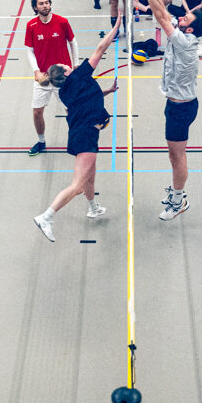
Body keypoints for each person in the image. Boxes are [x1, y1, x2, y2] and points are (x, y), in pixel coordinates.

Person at [33, 15, 120, 242]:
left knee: (90, 176)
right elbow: (101, 49)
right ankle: (46, 217)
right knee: (78, 185)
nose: (68, 64)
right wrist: (116, 27)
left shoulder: (64, 92)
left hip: (80, 133)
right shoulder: (80, 74)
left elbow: (86, 99)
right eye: (65, 65)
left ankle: (93, 208)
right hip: (86, 134)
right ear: (66, 73)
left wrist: (108, 91)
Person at [133, 0, 202, 221]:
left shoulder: (185, 42)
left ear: (190, 30)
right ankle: (177, 193)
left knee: (178, 156)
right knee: (174, 154)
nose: (182, 18)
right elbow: (164, 13)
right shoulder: (184, 34)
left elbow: (162, 18)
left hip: (181, 108)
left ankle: (178, 201)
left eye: (186, 19)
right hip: (176, 104)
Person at [24, 0, 79, 156]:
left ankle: (75, 141)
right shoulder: (31, 26)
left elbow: (73, 42)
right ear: (35, 7)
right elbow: (29, 50)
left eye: (47, 2)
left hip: (62, 77)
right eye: (41, 4)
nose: (45, 6)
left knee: (71, 111)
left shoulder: (62, 22)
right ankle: (41, 142)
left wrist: (75, 64)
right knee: (37, 111)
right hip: (43, 77)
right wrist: (36, 71)